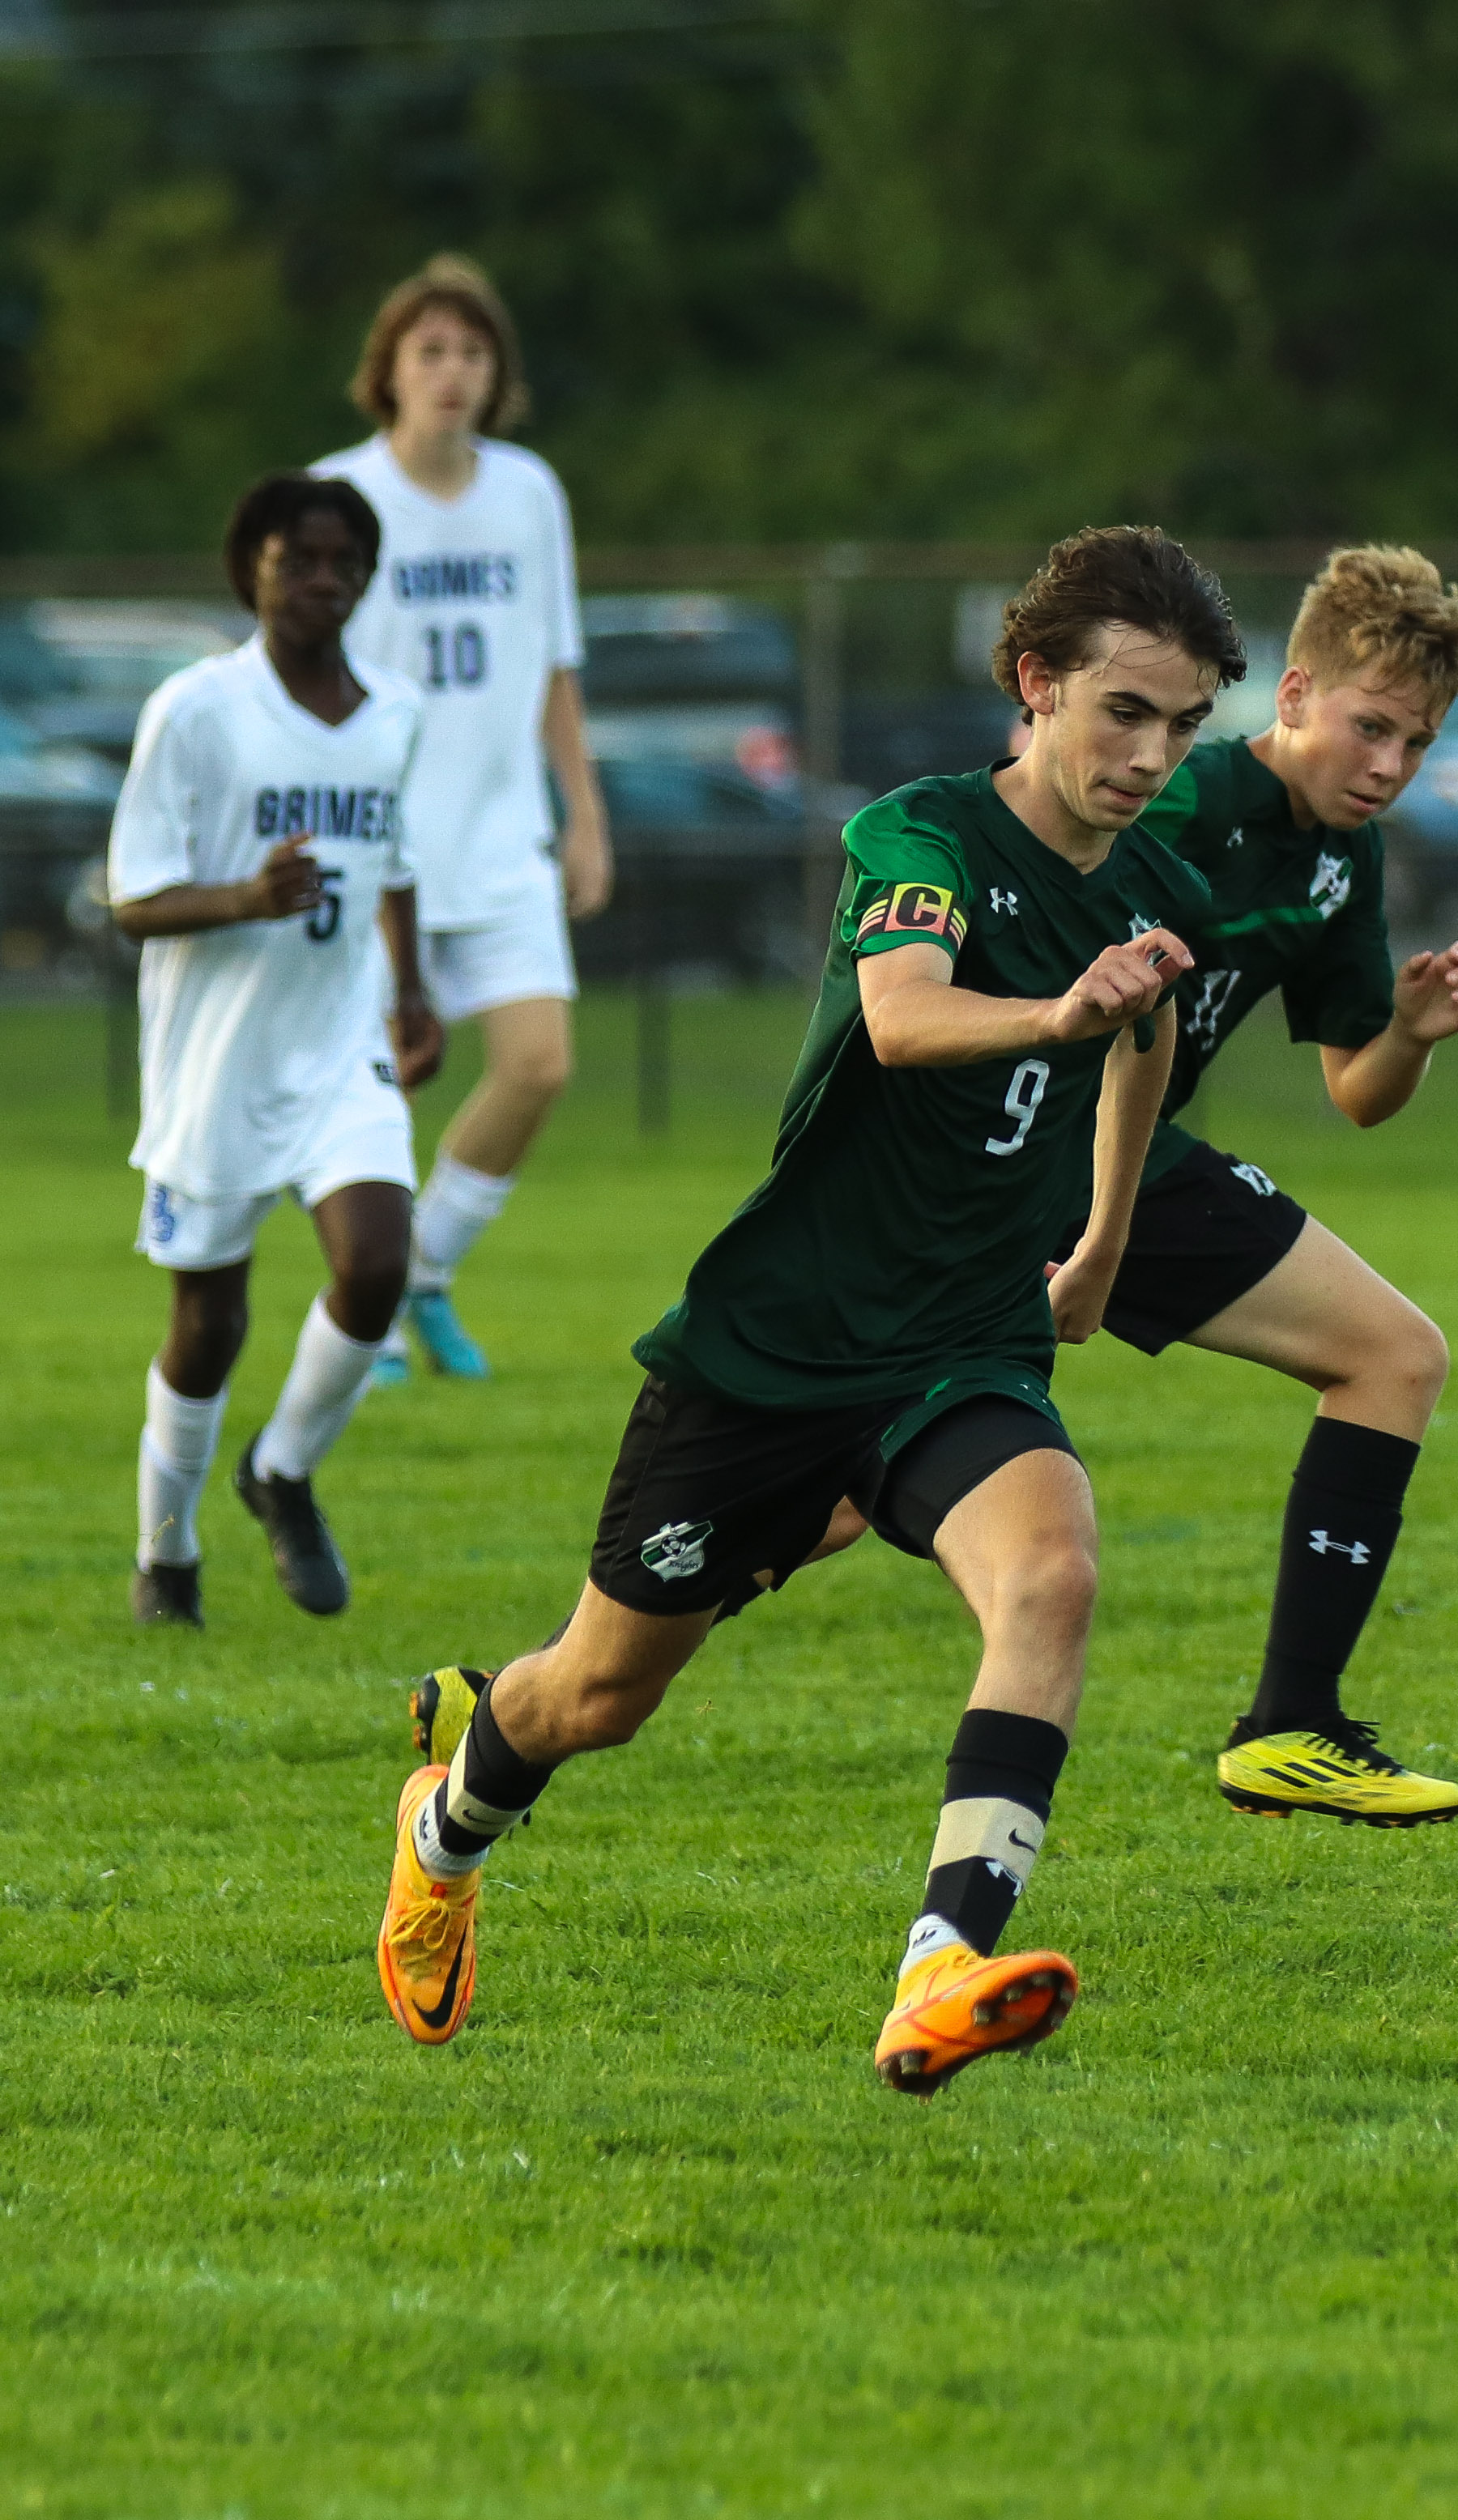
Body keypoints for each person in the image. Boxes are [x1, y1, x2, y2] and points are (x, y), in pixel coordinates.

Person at [376, 526, 1239, 2097]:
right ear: (1036, 684)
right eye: (1126, 710)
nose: (1152, 752)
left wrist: (1106, 1237)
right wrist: (1059, 1005)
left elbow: (1148, 1033)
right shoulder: (922, 835)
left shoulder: (1159, 879)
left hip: (961, 1341)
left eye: (1183, 724)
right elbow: (904, 1021)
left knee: (1050, 1573)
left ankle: (939, 1967)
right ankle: (447, 1825)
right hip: (773, 1350)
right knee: (598, 1694)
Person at [1048, 545, 1458, 1830]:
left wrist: (1405, 1031)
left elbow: (1358, 1091)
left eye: (1414, 744)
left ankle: (1293, 1726)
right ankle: (1290, 1722)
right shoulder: (1183, 806)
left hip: (1115, 1164)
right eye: (1370, 728)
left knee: (1392, 1357)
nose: (1389, 767)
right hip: (1032, 1153)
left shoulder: (1344, 861)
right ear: (1293, 696)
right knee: (865, 1465)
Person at [113, 472, 443, 1629]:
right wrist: (249, 897)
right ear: (250, 568)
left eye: (344, 562)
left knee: (375, 1261)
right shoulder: (197, 709)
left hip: (339, 1040)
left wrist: (411, 989)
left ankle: (285, 1471)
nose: (322, 579)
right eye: (297, 558)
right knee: (207, 1328)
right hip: (213, 1060)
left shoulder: (394, 712)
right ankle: (167, 1548)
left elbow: (390, 862)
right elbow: (129, 899)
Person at [315, 254, 611, 1383]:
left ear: (499, 376)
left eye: (472, 353)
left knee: (538, 1064)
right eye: (429, 351)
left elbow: (555, 668)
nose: (452, 372)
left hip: (498, 839)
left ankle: (422, 1273)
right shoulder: (339, 498)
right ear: (386, 371)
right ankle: (369, 1307)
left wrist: (582, 816)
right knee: (378, 1082)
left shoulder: (528, 491)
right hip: (376, 844)